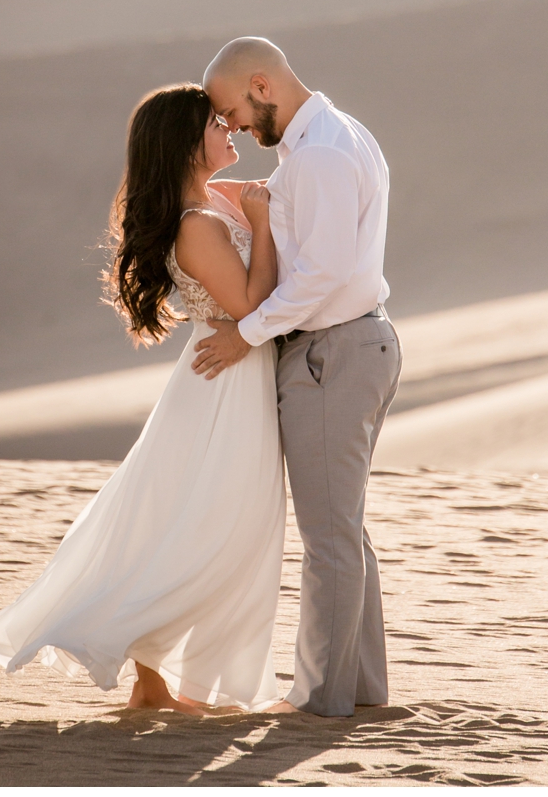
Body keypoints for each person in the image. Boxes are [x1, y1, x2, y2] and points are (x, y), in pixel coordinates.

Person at [0, 86, 286, 710]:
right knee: (218, 529)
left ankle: (152, 683)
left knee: (194, 522)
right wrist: (263, 226)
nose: (229, 128)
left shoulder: (212, 201)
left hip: (224, 380)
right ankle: (151, 665)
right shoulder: (198, 225)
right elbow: (252, 306)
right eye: (215, 123)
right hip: (225, 387)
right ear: (183, 143)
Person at [192, 38, 398, 718]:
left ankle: (319, 702)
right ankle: (360, 693)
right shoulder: (327, 141)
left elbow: (324, 276)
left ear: (261, 83)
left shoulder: (320, 155)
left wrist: (244, 333)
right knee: (344, 531)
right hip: (346, 346)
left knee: (330, 539)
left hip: (332, 353)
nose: (237, 131)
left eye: (235, 113)